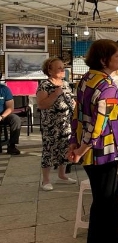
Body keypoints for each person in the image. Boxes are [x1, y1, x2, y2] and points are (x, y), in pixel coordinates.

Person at [68, 39, 118, 243]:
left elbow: (78, 114)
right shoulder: (107, 86)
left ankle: (112, 239)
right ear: (104, 60)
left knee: (109, 198)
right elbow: (99, 123)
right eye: (117, 56)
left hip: (95, 151)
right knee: (103, 203)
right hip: (104, 151)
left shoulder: (87, 79)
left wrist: (75, 142)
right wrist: (82, 148)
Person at [36, 57, 76, 191]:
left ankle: (62, 175)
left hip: (66, 123)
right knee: (49, 150)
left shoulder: (65, 84)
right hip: (51, 125)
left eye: (63, 67)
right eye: (59, 67)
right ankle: (45, 180)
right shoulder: (44, 85)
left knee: (64, 148)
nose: (62, 69)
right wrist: (54, 94)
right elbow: (41, 105)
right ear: (50, 70)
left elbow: (70, 100)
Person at [0, 75, 23, 155]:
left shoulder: (4, 89)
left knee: (16, 119)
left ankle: (12, 145)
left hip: (3, 115)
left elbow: (10, 107)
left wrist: (2, 116)